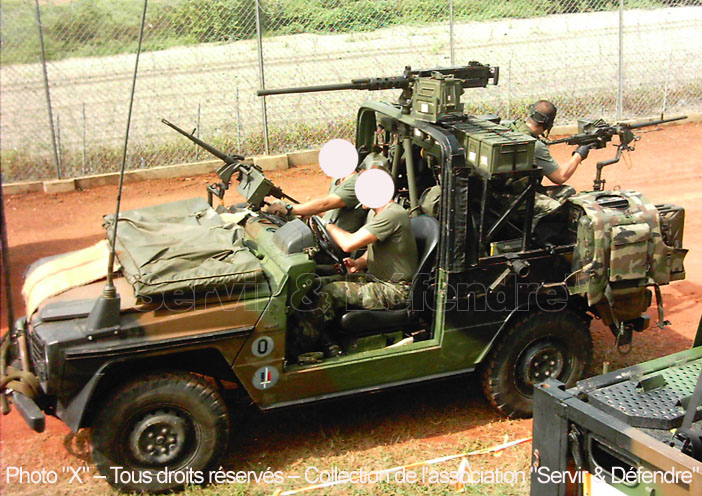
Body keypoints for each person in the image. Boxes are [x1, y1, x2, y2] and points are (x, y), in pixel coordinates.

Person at [295, 175, 418, 357]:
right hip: (376, 280)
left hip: (395, 290)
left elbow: (348, 244)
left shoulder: (392, 214)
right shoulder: (382, 214)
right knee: (317, 283)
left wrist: (327, 224)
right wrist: (358, 263)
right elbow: (380, 247)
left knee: (331, 291)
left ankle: (300, 347)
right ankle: (324, 339)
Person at [265, 152, 390, 233]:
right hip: (326, 231)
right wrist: (311, 213)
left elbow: (326, 203)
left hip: (334, 242)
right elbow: (330, 210)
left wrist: (289, 209)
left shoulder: (357, 183)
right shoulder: (339, 181)